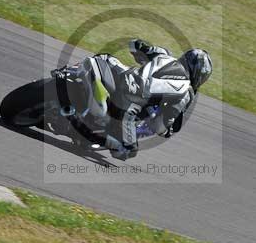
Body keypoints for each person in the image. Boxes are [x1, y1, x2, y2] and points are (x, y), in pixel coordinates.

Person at [69, 39, 212, 160]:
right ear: (199, 75)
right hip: (128, 105)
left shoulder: (164, 54)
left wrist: (143, 53)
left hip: (117, 71)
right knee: (128, 150)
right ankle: (86, 135)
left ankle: (77, 83)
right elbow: (159, 126)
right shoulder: (185, 91)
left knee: (106, 60)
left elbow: (135, 45)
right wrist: (165, 131)